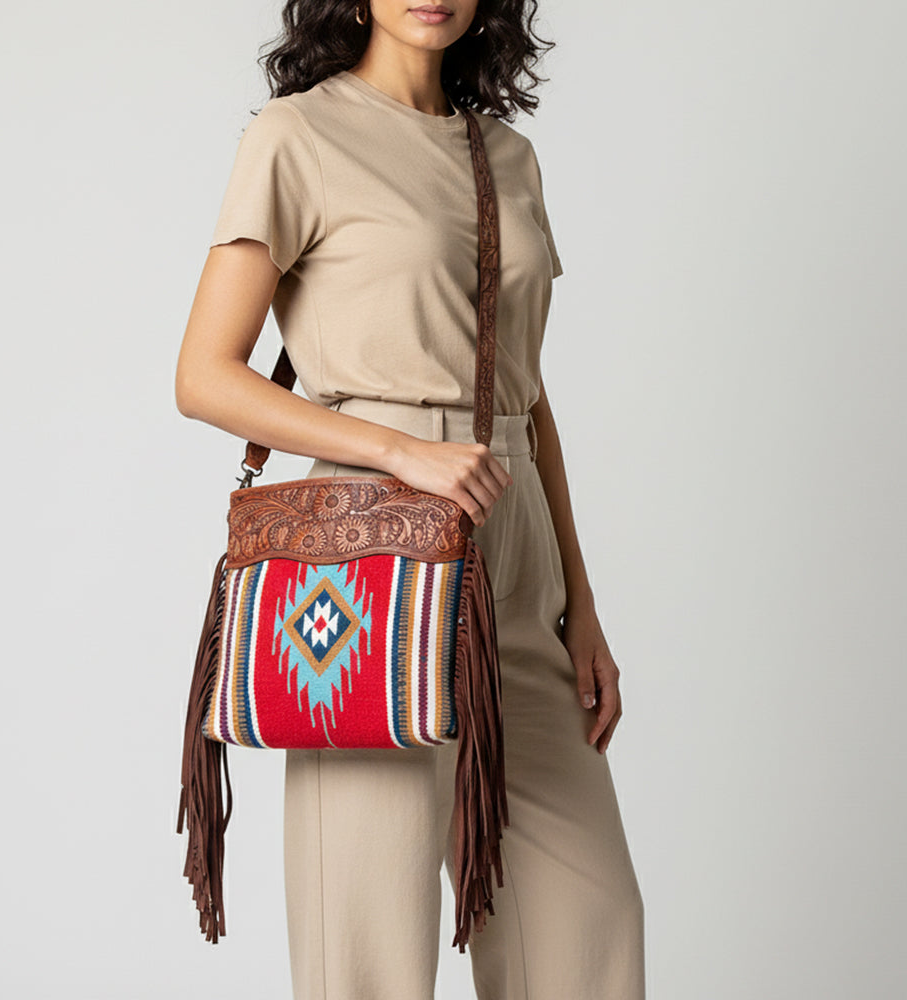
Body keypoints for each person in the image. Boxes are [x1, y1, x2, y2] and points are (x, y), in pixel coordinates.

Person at [175, 2, 645, 997]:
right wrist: (398, 449)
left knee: (589, 930)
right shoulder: (298, 135)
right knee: (370, 951)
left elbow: (526, 394)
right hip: (368, 558)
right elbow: (205, 376)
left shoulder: (508, 155)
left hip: (513, 545)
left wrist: (582, 606)